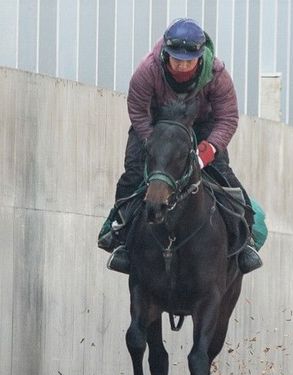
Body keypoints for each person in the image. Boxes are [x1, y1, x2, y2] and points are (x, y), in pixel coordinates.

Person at [98, 18, 263, 274]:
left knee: (225, 178)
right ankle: (119, 236)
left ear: (200, 57)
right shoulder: (147, 70)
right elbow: (138, 110)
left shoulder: (218, 75)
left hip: (203, 129)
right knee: (132, 175)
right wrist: (153, 143)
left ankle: (244, 240)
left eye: (189, 61)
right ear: (166, 55)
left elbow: (227, 118)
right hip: (156, 128)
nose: (182, 66)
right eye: (177, 60)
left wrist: (209, 149)